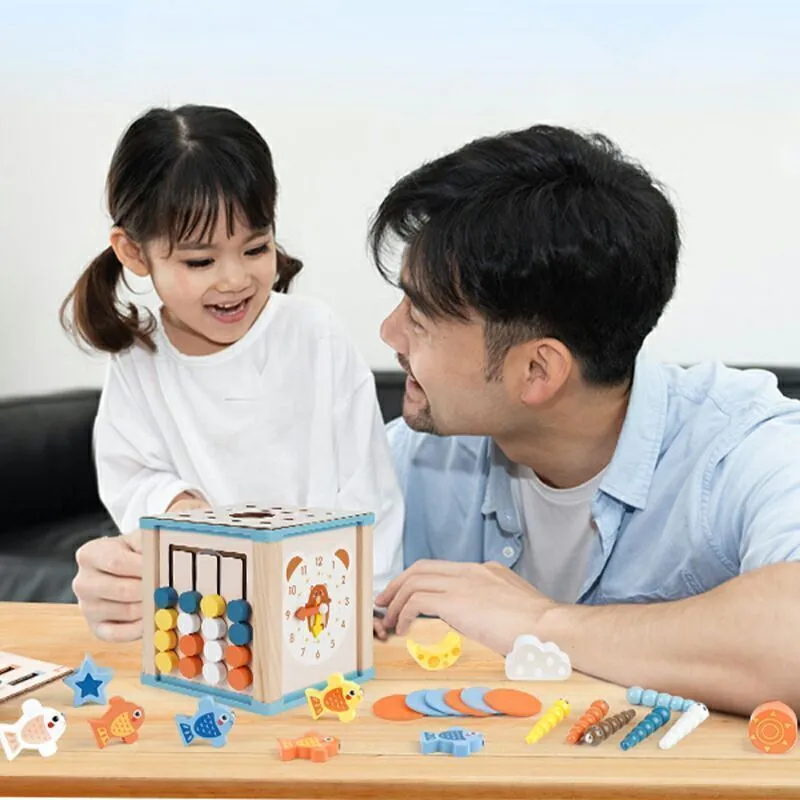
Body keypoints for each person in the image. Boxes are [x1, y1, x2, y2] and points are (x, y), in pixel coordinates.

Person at [369, 124, 800, 716]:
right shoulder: (412, 461)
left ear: (537, 371)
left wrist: (541, 623)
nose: (389, 333)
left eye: (419, 318)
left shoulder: (741, 449)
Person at [63, 104, 403, 642]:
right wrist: (174, 502)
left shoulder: (313, 334)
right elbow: (130, 475)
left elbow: (370, 489)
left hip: (323, 612)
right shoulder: (138, 359)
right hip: (212, 625)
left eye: (256, 248)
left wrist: (370, 603)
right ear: (133, 252)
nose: (235, 279)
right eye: (200, 261)